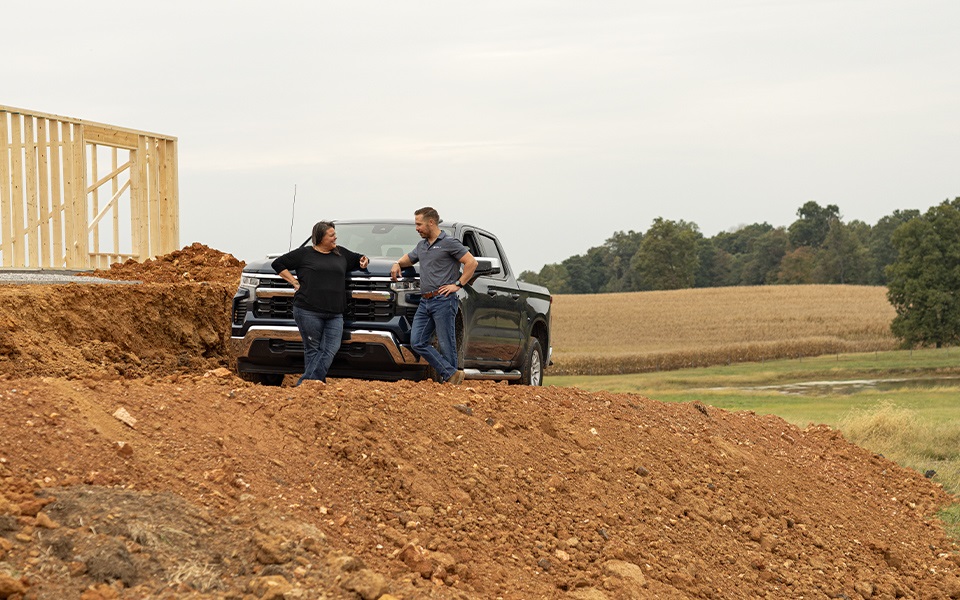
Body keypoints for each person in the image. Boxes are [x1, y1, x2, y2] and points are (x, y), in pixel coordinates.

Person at [272, 221, 369, 384]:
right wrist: (294, 282)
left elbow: (358, 257)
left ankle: (306, 384)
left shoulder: (341, 253)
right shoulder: (304, 254)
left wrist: (364, 260)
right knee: (313, 350)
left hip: (335, 313)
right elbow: (278, 264)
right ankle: (314, 387)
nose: (335, 237)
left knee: (330, 348)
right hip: (307, 310)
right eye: (331, 235)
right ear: (320, 237)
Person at [390, 207, 477, 384]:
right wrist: (397, 263)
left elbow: (471, 262)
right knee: (417, 342)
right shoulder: (422, 246)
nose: (416, 228)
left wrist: (457, 284)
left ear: (431, 222)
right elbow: (410, 258)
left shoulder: (449, 242)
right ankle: (451, 373)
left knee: (446, 343)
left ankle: (450, 381)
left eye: (419, 224)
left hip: (444, 300)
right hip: (425, 301)